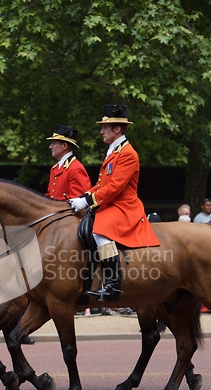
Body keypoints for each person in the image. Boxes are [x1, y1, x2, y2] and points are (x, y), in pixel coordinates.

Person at [70, 104, 160, 302]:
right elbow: (102, 184)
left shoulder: (128, 153)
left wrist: (87, 201)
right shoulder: (114, 151)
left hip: (123, 206)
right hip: (110, 203)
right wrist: (82, 197)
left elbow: (115, 188)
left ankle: (113, 284)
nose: (101, 131)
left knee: (99, 232)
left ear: (117, 129)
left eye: (104, 128)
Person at [45, 124, 91, 200]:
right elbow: (50, 195)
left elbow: (79, 201)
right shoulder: (54, 168)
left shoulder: (76, 167)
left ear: (64, 146)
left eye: (53, 143)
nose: (50, 147)